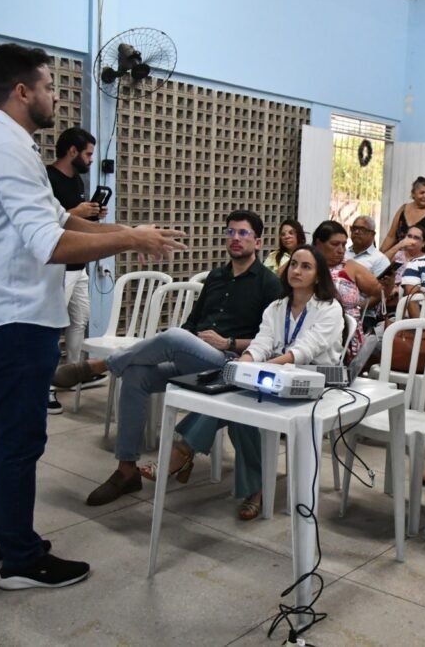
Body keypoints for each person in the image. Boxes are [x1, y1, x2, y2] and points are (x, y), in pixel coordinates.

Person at [0, 43, 185, 589]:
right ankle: (19, 559)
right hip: (14, 319)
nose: (56, 96)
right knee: (19, 440)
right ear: (21, 91)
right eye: (50, 86)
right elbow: (50, 244)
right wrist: (129, 239)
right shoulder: (5, 151)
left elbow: (63, 220)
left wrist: (130, 235)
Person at [76, 210, 279, 507]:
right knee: (136, 376)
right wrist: (189, 340)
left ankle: (103, 365)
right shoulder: (216, 278)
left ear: (258, 242)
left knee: (171, 338)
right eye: (231, 232)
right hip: (197, 358)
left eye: (244, 233)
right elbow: (191, 323)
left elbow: (271, 342)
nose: (235, 239)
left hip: (231, 365)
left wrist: (229, 342)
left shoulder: (268, 283)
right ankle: (126, 469)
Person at [142, 245, 344, 520]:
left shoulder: (328, 308)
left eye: (306, 266)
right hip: (276, 377)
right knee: (236, 402)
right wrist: (245, 363)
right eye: (294, 264)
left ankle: (183, 452)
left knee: (240, 395)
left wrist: (256, 371)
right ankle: (254, 489)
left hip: (316, 383)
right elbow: (261, 343)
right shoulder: (276, 307)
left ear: (319, 276)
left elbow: (304, 351)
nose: (296, 270)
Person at [45, 127, 104, 414]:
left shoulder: (77, 180)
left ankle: (73, 374)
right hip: (58, 265)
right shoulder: (47, 179)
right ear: (72, 151)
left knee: (79, 321)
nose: (91, 159)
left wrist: (91, 214)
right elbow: (50, 222)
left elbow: (74, 217)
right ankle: (46, 387)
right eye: (88, 153)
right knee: (51, 325)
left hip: (80, 266)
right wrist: (77, 213)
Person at [313, 220, 381, 357]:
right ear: (318, 243)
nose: (341, 250)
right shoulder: (305, 265)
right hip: (314, 330)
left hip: (348, 337)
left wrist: (388, 283)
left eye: (344, 245)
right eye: (334, 244)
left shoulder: (350, 266)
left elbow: (379, 291)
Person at [380, 176, 425, 255]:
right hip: (398, 257)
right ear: (413, 193)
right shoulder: (403, 208)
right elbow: (391, 237)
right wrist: (379, 256)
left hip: (421, 259)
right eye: (422, 193)